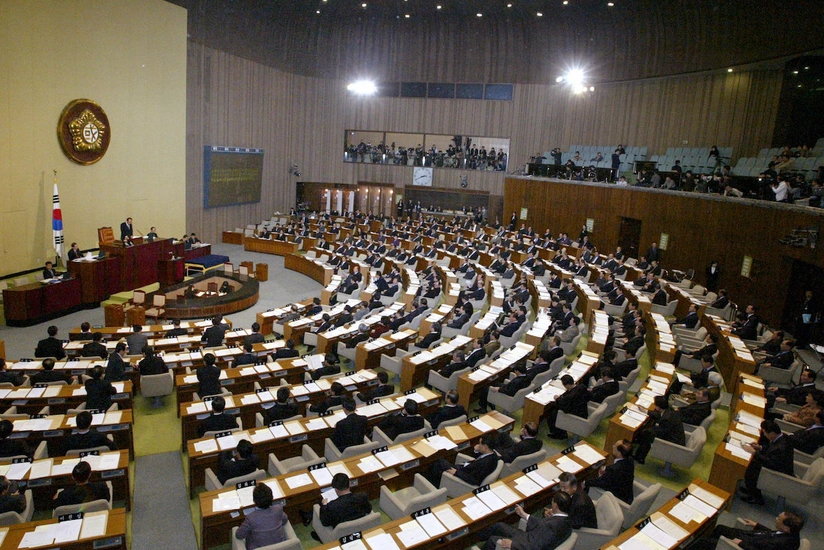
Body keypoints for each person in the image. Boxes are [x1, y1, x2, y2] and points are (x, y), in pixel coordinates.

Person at [476, 491, 573, 550]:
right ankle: (476, 538)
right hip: (530, 537)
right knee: (499, 526)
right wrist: (525, 515)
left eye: (552, 502)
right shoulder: (567, 520)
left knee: (493, 540)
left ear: (555, 505)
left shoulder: (552, 526)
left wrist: (513, 544)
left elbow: (535, 547)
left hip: (526, 543)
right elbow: (543, 526)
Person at [739, 420, 793, 506]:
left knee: (751, 469)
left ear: (772, 433)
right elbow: (770, 448)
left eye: (764, 432)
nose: (764, 435)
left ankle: (757, 498)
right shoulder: (782, 437)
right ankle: (750, 490)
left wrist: (754, 452)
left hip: (778, 472)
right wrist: (759, 447)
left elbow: (769, 462)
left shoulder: (781, 447)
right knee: (752, 463)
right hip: (775, 464)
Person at [687, 511, 804, 550]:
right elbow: (773, 534)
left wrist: (741, 543)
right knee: (720, 528)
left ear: (786, 528)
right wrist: (757, 525)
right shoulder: (791, 533)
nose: (776, 519)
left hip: (745, 545)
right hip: (753, 538)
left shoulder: (782, 544)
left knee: (702, 542)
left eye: (779, 519)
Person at [306, 473, 372, 539]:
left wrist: (324, 505)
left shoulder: (331, 506)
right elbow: (368, 510)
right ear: (349, 484)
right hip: (361, 528)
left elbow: (325, 522)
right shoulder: (362, 497)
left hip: (341, 534)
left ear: (336, 489)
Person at [424, 432, 499, 488]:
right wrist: (476, 451)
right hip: (466, 467)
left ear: (485, 446)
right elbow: (479, 459)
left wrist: (456, 473)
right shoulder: (493, 454)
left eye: (480, 444)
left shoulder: (486, 463)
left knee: (439, 462)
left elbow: (474, 480)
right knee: (438, 463)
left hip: (463, 473)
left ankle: (431, 484)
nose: (478, 445)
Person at [633, 395, 685, 464]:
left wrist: (647, 430)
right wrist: (645, 411)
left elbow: (660, 432)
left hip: (673, 442)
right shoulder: (669, 410)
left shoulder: (667, 418)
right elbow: (659, 415)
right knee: (646, 431)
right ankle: (639, 442)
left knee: (647, 434)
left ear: (658, 406)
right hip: (674, 435)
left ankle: (640, 458)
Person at [235, 483, 288, 550]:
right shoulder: (278, 509)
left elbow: (239, 535)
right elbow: (285, 520)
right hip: (281, 546)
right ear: (272, 498)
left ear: (254, 501)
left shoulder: (251, 518)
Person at [585, 439, 635, 504]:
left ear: (619, 453)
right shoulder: (630, 460)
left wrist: (585, 482)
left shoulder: (614, 469)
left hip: (616, 498)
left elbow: (601, 482)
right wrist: (607, 469)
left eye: (615, 446)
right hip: (626, 495)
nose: (613, 446)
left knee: (587, 485)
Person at [546, 374, 589, 439]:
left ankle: (559, 434)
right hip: (583, 410)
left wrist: (557, 399)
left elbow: (565, 408)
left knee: (551, 412)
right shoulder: (582, 387)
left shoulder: (570, 397)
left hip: (576, 414)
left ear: (567, 385)